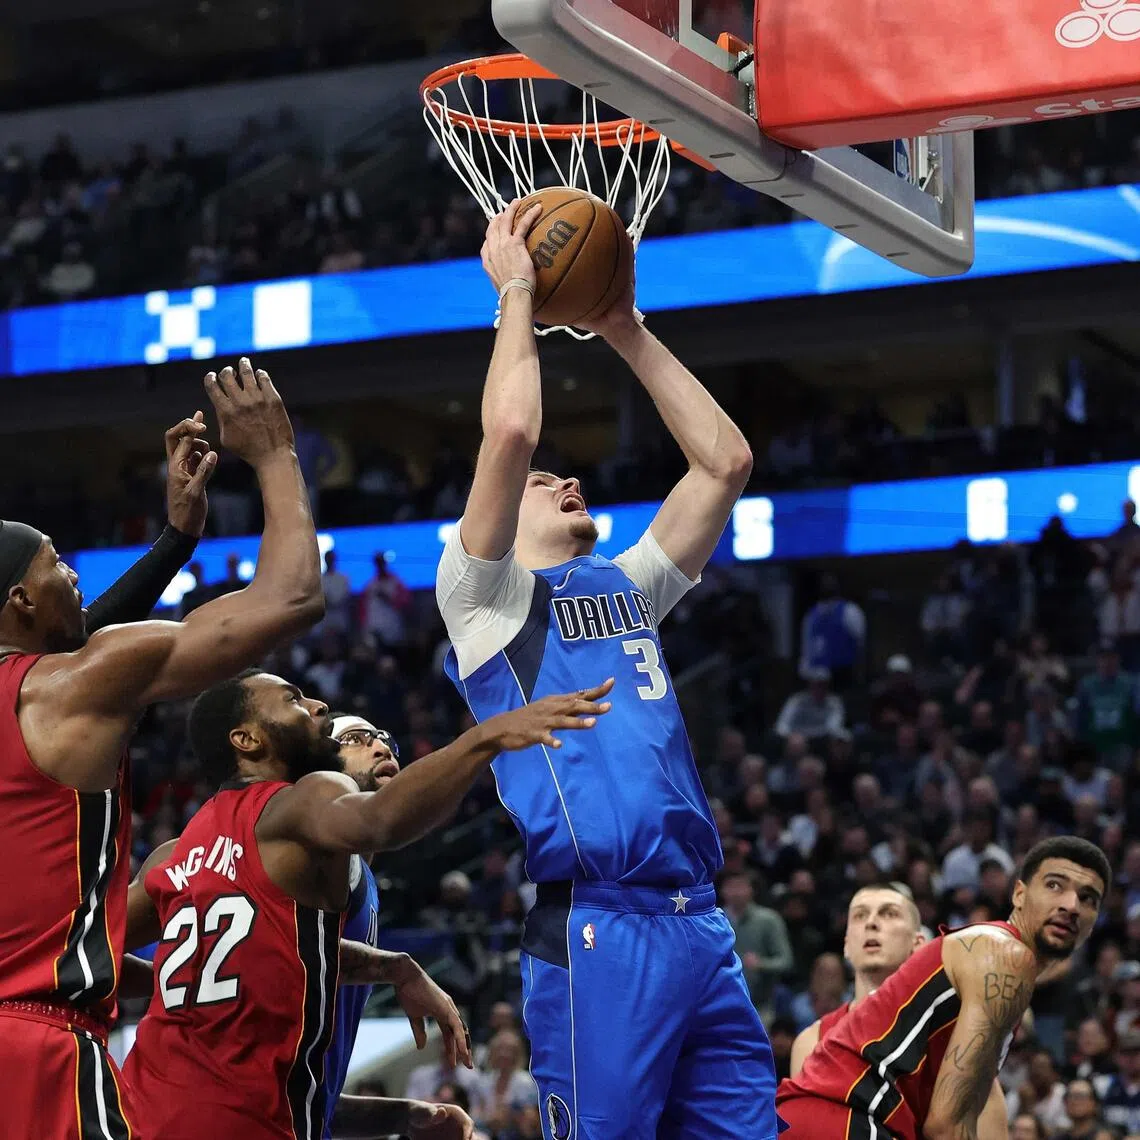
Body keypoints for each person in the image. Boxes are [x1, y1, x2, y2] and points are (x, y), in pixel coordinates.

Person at [436, 201, 775, 1139]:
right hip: (600, 926)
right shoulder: (484, 596)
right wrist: (516, 291)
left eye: (564, 475)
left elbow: (725, 463)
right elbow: (508, 437)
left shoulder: (627, 585)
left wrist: (623, 327)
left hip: (700, 924)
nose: (562, 478)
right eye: (550, 483)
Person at [0, 359, 325, 1140]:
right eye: (57, 563)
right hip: (38, 1049)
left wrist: (177, 540)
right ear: (19, 598)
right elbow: (292, 596)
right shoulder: (69, 687)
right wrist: (275, 453)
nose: (76, 575)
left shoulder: (55, 686)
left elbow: (85, 647)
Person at [121, 669, 613, 1140]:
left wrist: (406, 1110)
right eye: (297, 701)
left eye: (383, 738)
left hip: (145, 1107)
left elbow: (84, 951)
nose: (318, 706)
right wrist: (486, 737)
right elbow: (381, 820)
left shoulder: (180, 853)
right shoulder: (306, 806)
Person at [777, 836, 1109, 1140]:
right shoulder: (1007, 955)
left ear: (1094, 922)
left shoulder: (994, 958)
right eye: (1054, 885)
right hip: (849, 1116)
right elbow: (948, 1127)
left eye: (1087, 898)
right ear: (1019, 894)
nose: (1071, 905)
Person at [319, 711, 401, 1139]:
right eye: (358, 738)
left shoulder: (361, 875)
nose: (382, 747)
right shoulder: (327, 856)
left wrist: (408, 1116)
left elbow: (318, 1096)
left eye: (385, 739)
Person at [789, 884, 925, 1076]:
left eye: (889, 914)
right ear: (846, 946)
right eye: (859, 915)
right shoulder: (812, 1043)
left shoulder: (945, 1031)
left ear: (918, 944)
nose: (871, 923)